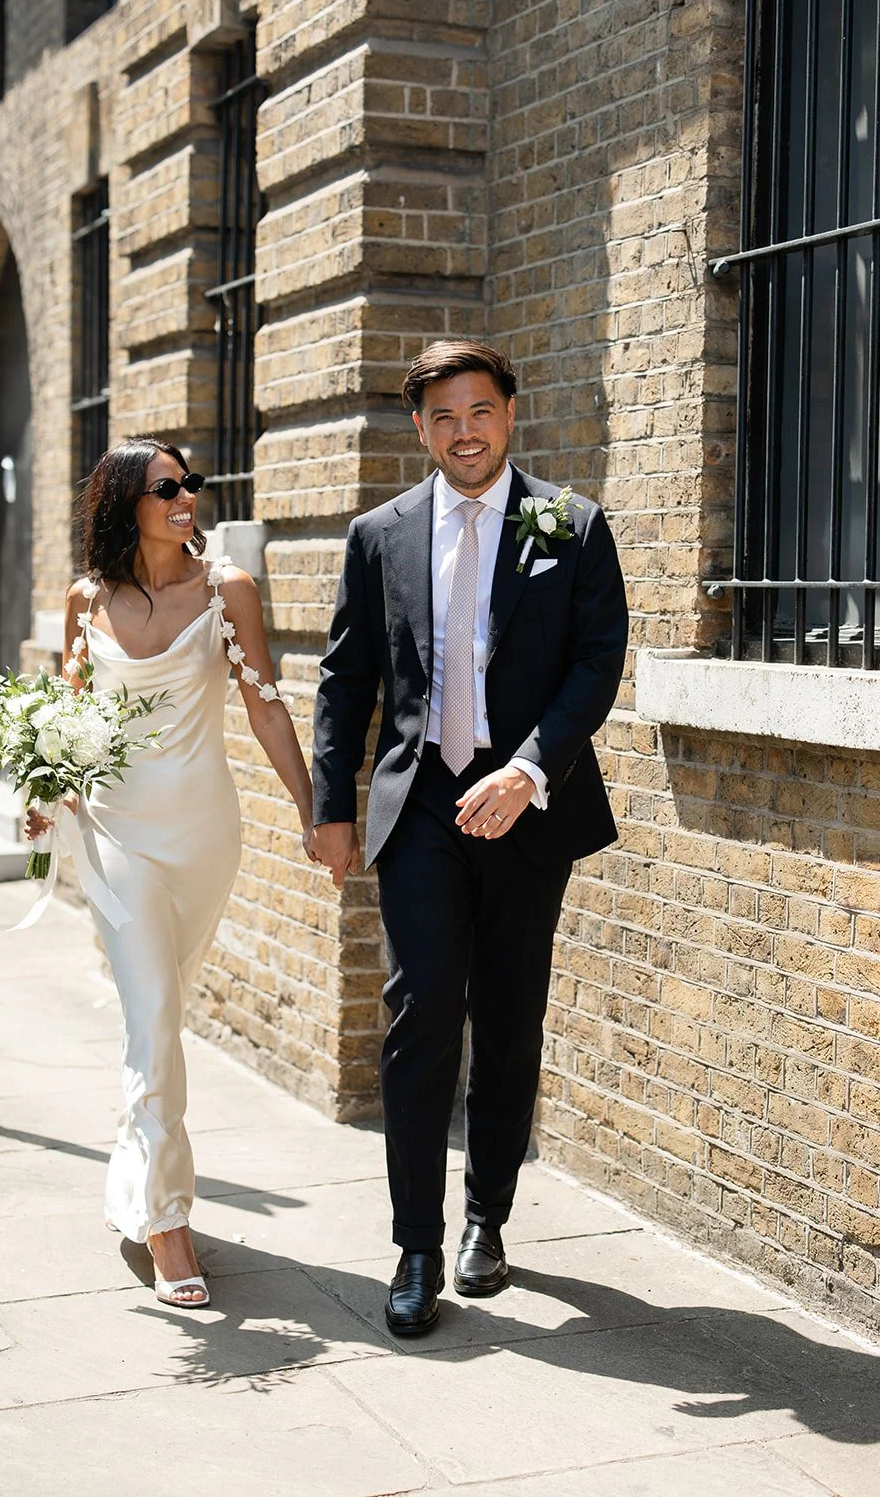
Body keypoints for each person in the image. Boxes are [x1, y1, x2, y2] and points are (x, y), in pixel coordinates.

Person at [310, 339, 628, 1334]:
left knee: (509, 1017)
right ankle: (415, 1244)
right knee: (420, 1015)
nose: (464, 432)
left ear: (509, 413)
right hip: (421, 807)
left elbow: (596, 661)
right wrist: (330, 808)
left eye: (479, 411)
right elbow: (345, 679)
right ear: (419, 427)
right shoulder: (379, 535)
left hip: (526, 805)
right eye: (443, 416)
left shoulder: (569, 523)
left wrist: (529, 770)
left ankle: (487, 1218)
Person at [28, 437, 315, 1308]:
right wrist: (44, 795)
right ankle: (165, 1222)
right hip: (116, 836)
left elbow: (265, 708)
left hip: (203, 835)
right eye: (166, 488)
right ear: (125, 503)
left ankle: (136, 1171)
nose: (186, 497)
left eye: (189, 483)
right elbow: (68, 714)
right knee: (153, 1018)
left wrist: (312, 810)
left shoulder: (228, 590)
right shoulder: (86, 600)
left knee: (158, 1018)